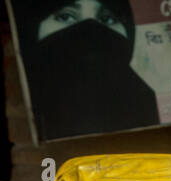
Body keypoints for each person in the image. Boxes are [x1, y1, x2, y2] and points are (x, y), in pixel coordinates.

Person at [18, 1, 160, 141]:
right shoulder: (18, 118)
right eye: (65, 17)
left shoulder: (149, 110)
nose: (90, 30)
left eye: (107, 19)